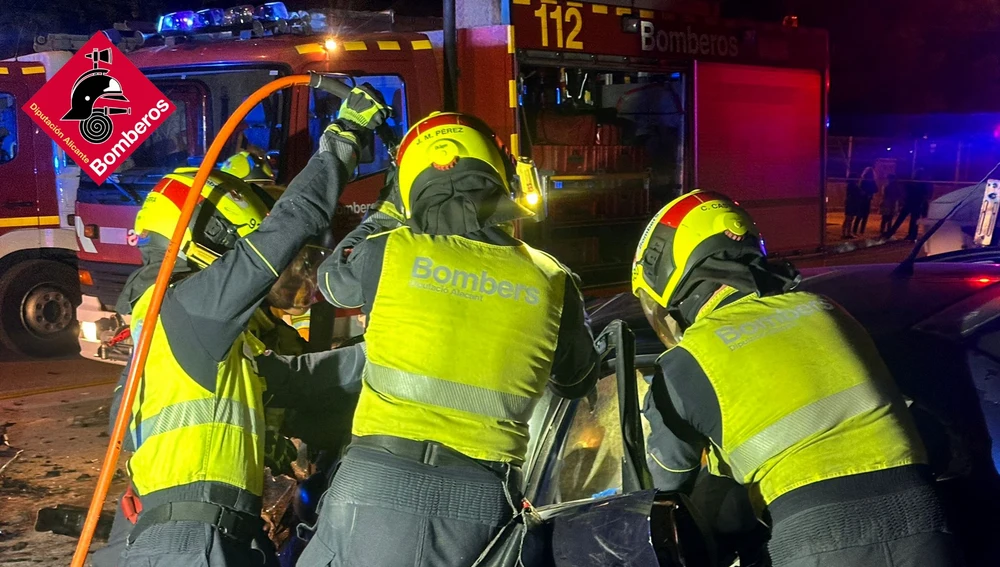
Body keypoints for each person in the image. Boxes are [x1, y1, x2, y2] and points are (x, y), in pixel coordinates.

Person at [296, 111, 602, 567]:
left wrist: (387, 210)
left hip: (374, 481)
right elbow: (576, 380)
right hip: (477, 499)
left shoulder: (389, 249)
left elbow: (332, 280)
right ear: (497, 176)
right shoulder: (553, 280)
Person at [113, 85, 390, 567]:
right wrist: (345, 136)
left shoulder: (178, 326)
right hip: (194, 540)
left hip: (212, 534)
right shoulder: (190, 307)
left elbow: (291, 379)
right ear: (206, 241)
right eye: (233, 248)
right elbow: (295, 219)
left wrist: (395, 352)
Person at [632, 190, 962, 567]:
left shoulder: (684, 364)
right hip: (927, 521)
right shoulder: (824, 309)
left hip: (817, 536)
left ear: (669, 280)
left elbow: (667, 492)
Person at [885, 169, 932, 241]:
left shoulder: (915, 182)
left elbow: (908, 191)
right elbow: (926, 195)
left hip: (911, 202)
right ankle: (912, 235)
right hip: (915, 203)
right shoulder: (922, 183)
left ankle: (892, 233)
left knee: (902, 219)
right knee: (913, 220)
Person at [852, 166, 878, 235]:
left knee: (860, 215)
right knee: (864, 215)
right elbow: (876, 189)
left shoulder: (864, 180)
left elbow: (860, 189)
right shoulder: (870, 181)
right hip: (866, 198)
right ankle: (861, 231)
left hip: (863, 199)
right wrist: (869, 193)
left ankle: (856, 230)